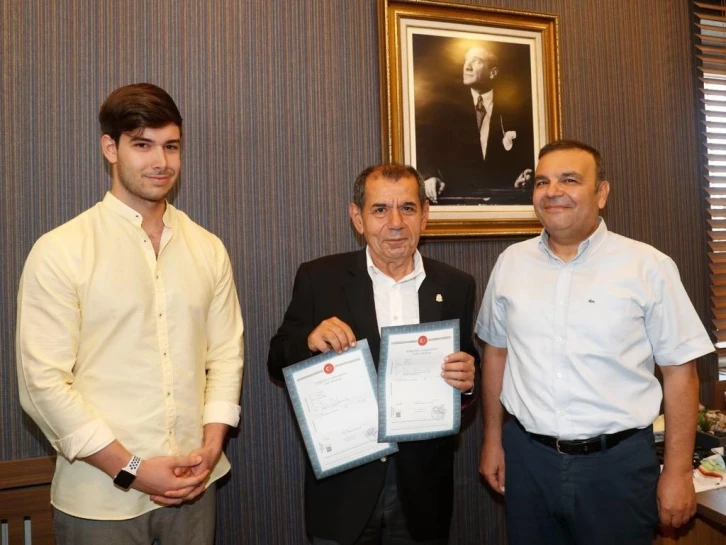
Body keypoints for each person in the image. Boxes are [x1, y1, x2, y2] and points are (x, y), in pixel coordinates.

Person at [16, 83, 244, 545]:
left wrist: (211, 446)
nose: (161, 161)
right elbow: (42, 385)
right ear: (110, 148)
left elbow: (225, 356)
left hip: (195, 491)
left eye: (171, 146)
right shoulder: (61, 250)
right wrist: (132, 469)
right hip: (100, 502)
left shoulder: (208, 248)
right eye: (142, 145)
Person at [476, 139, 714, 545]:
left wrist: (677, 473)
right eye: (542, 182)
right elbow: (496, 354)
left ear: (601, 193)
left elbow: (681, 374)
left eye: (569, 180)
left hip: (616, 468)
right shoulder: (511, 263)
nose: (553, 191)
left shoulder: (648, 266)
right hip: (528, 461)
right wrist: (493, 439)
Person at [267, 164, 478, 545]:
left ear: (425, 215)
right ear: (357, 217)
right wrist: (308, 340)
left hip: (421, 493)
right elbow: (277, 359)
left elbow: (466, 378)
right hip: (343, 487)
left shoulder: (455, 285)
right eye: (380, 209)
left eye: (407, 208)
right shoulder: (319, 278)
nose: (395, 223)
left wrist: (466, 384)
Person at [416, 45, 534, 205]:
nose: (467, 66)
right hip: (453, 202)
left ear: (493, 72)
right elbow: (422, 149)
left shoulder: (517, 111)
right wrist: (430, 177)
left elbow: (524, 159)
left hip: (502, 204)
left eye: (476, 61)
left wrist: (522, 178)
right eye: (466, 60)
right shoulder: (444, 108)